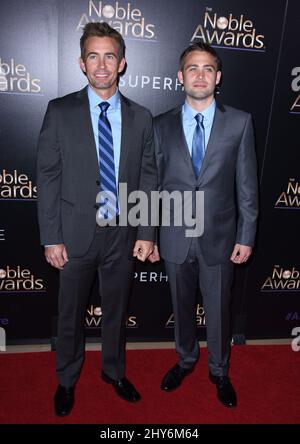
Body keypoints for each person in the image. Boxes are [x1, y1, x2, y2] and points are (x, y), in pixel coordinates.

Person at [37, 22, 156, 416]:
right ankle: (67, 379)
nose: (101, 64)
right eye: (93, 56)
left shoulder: (141, 117)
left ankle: (113, 372)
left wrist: (146, 231)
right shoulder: (60, 110)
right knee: (70, 314)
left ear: (122, 64)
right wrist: (51, 237)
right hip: (73, 235)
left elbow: (149, 176)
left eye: (109, 56)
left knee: (117, 312)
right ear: (81, 62)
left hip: (122, 236)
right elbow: (49, 176)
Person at [149, 42, 258, 408]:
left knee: (219, 309)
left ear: (218, 77)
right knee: (180, 308)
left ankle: (219, 369)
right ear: (180, 77)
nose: (200, 74)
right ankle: (185, 359)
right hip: (175, 237)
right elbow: (152, 184)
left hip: (220, 238)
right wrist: (148, 234)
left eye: (207, 68)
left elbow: (247, 186)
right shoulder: (159, 124)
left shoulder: (240, 122)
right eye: (192, 68)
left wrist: (246, 235)